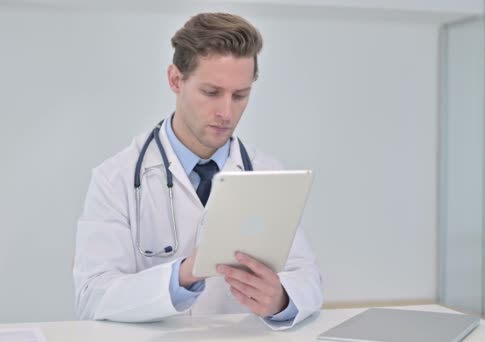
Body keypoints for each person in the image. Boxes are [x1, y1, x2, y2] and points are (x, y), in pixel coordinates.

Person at [73, 12, 322, 330]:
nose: (226, 112)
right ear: (176, 80)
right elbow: (91, 296)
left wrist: (281, 300)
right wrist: (181, 276)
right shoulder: (115, 179)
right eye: (212, 93)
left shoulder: (267, 173)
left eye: (240, 95)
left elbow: (307, 277)